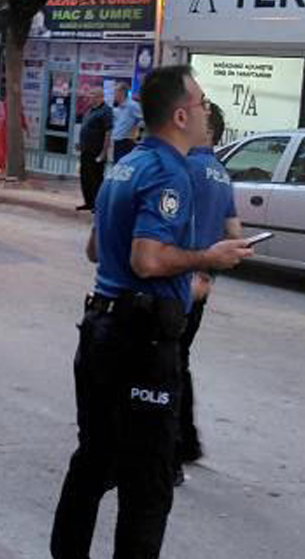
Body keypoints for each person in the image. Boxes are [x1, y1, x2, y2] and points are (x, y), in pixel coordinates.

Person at [50, 65, 253, 559]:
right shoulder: (170, 172)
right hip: (138, 341)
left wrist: (186, 279)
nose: (208, 112)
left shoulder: (126, 166)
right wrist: (209, 258)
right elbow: (147, 258)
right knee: (148, 483)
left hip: (102, 328)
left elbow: (97, 250)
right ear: (181, 115)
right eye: (203, 104)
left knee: (95, 460)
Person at [175, 103, 242, 486]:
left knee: (165, 363)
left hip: (175, 278)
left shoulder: (184, 168)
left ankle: (171, 450)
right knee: (178, 359)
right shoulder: (221, 173)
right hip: (202, 283)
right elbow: (235, 233)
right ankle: (187, 441)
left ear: (207, 129)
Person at [76, 89, 113, 211]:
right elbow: (85, 128)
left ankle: (98, 205)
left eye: (92, 96)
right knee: (85, 177)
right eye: (89, 96)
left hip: (96, 151)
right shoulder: (90, 111)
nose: (89, 99)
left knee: (96, 179)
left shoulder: (106, 111)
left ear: (100, 97)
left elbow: (108, 132)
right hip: (85, 150)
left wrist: (103, 152)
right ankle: (89, 202)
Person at [110, 80, 144, 163]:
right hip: (117, 142)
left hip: (126, 142)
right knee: (116, 167)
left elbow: (145, 119)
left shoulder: (132, 105)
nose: (113, 94)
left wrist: (137, 133)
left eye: (115, 92)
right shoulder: (119, 107)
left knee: (122, 168)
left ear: (121, 92)